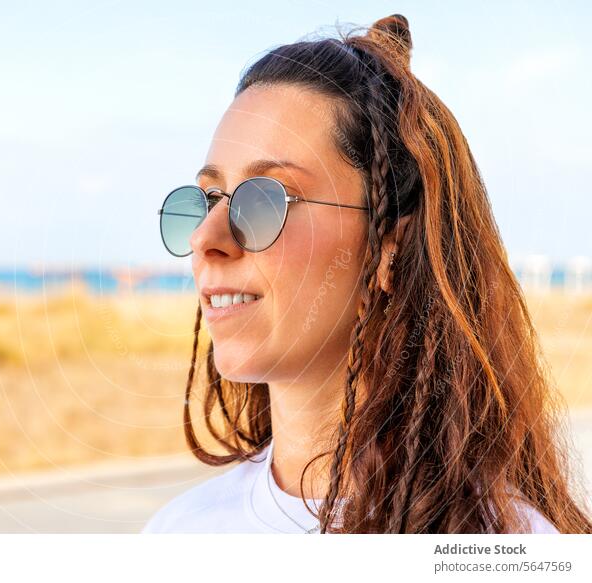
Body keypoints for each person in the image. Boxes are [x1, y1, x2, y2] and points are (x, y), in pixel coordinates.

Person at [146, 14, 592, 533]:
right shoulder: (176, 535)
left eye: (266, 199)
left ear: (388, 248)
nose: (205, 240)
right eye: (206, 200)